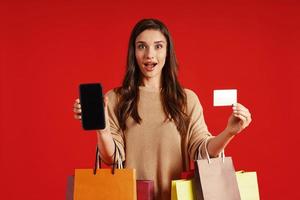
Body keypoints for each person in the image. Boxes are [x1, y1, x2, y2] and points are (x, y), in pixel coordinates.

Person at [73, 18, 252, 200]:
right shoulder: (115, 99)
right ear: (133, 52)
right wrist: (102, 129)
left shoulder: (186, 99)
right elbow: (112, 160)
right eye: (141, 46)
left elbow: (201, 152)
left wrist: (229, 132)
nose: (150, 55)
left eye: (158, 46)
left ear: (168, 52)